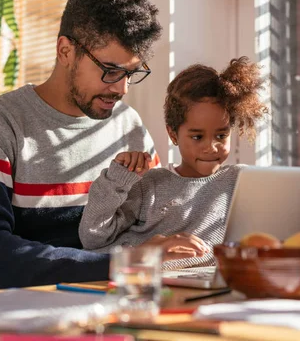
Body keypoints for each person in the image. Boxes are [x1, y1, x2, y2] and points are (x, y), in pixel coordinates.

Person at [0, 0, 206, 293]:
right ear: (65, 51)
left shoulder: (127, 125)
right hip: (20, 318)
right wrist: (122, 263)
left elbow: (149, 223)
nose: (122, 88)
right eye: (110, 70)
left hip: (107, 310)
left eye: (131, 73)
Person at [79, 57, 268, 269]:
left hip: (210, 284)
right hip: (149, 282)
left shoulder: (242, 182)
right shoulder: (149, 185)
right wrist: (116, 181)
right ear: (173, 134)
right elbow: (92, 239)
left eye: (221, 136)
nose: (211, 147)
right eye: (197, 137)